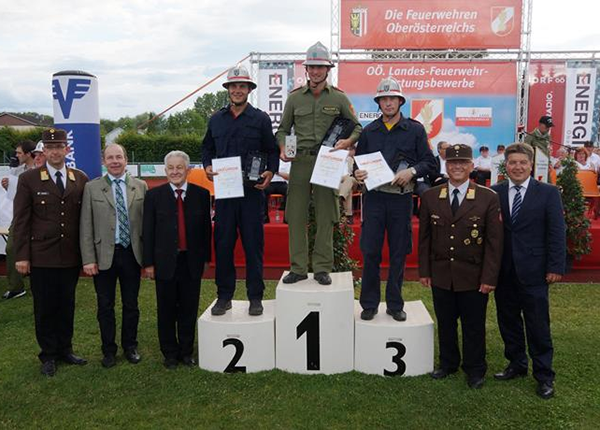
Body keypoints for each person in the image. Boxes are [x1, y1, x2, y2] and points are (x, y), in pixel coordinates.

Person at [276, 41, 361, 285]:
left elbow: (356, 126)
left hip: (328, 161)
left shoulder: (339, 97)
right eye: (311, 67)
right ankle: (298, 267)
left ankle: (323, 267)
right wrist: (283, 146)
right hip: (300, 161)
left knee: (327, 215)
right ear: (306, 69)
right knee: (296, 214)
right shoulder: (294, 99)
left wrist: (347, 141)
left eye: (320, 67)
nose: (315, 72)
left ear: (327, 70)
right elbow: (282, 130)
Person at [418, 144, 503, 389]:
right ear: (446, 166)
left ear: (471, 166)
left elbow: (494, 244)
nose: (457, 167)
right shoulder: (431, 196)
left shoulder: (488, 197)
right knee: (445, 322)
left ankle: (475, 369)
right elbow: (424, 239)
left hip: (473, 276)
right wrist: (425, 271)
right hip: (442, 273)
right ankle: (448, 363)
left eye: (463, 163)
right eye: (453, 163)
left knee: (473, 325)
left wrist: (489, 277)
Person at [354, 76, 436, 321]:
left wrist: (411, 171)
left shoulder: (415, 130)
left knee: (399, 252)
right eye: (383, 99)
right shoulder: (369, 131)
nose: (388, 103)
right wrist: (356, 173)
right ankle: (369, 304)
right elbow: (357, 165)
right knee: (370, 252)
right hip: (375, 199)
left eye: (392, 99)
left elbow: (429, 163)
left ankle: (394, 304)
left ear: (400, 101)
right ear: (378, 103)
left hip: (401, 200)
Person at [202, 65, 279, 316]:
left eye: (242, 86)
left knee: (253, 246)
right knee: (223, 245)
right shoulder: (216, 119)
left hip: (252, 194)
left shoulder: (260, 118)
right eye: (233, 86)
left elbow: (271, 150)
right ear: (228, 90)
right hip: (225, 195)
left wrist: (270, 170)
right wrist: (207, 165)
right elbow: (207, 149)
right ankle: (224, 297)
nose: (237, 90)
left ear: (249, 89)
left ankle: (255, 297)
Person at [491, 143, 566, 400]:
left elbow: (557, 232)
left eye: (523, 162)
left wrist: (555, 267)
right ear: (506, 165)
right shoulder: (494, 193)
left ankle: (544, 376)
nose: (518, 167)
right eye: (513, 163)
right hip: (504, 272)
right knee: (508, 321)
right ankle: (517, 364)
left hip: (535, 271)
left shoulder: (548, 193)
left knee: (538, 326)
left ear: (531, 165)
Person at [12, 128, 89, 377]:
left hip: (69, 255)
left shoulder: (80, 178)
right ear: (43, 151)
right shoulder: (30, 179)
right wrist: (21, 256)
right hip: (41, 255)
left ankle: (65, 349)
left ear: (67, 150)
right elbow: (21, 220)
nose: (56, 151)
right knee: (44, 308)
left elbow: (83, 220)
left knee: (67, 305)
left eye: (60, 147)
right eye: (50, 147)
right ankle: (48, 354)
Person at [80, 144, 148, 368]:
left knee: (131, 304)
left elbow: (146, 226)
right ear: (104, 161)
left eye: (119, 157)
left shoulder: (140, 186)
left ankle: (130, 346)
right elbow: (85, 226)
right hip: (103, 256)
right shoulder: (92, 188)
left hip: (131, 254)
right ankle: (108, 350)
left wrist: (148, 259)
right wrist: (88, 259)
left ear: (126, 159)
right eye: (110, 157)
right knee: (105, 305)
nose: (115, 161)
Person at [143, 151, 212, 369]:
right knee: (166, 309)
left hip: (191, 261)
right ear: (165, 171)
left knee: (189, 308)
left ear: (188, 170)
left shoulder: (201, 194)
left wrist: (206, 258)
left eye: (179, 167)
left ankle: (186, 351)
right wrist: (149, 263)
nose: (175, 171)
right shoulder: (154, 196)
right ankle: (170, 353)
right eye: (171, 168)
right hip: (164, 262)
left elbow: (205, 231)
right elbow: (148, 231)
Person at [2, 139, 37, 300]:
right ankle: (16, 287)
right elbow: (13, 195)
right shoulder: (16, 171)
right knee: (11, 248)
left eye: (19, 153)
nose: (16, 155)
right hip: (20, 216)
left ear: (29, 154)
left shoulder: (40, 170)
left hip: (38, 216)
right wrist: (6, 186)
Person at [339, 150, 357, 224]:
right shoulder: (336, 160)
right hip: (340, 183)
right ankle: (348, 215)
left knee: (349, 179)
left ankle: (340, 197)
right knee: (346, 188)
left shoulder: (352, 160)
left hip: (354, 182)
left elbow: (357, 173)